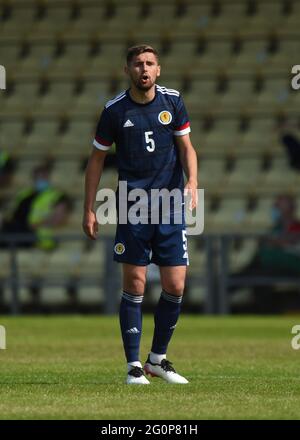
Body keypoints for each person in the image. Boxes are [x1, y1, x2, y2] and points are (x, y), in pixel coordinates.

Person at [83, 45, 198, 385]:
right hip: (133, 206)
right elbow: (96, 160)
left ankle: (157, 360)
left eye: (149, 63)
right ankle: (134, 365)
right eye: (137, 64)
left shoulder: (173, 102)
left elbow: (186, 147)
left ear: (158, 69)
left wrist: (193, 180)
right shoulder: (114, 111)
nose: (144, 69)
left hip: (170, 204)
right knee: (134, 283)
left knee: (175, 285)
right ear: (127, 70)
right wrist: (89, 208)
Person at [1, 163, 72, 249]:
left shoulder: (57, 196)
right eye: (37, 177)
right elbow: (12, 213)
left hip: (37, 236)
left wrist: (36, 225)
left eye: (43, 177)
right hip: (16, 231)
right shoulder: (24, 194)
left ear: (49, 178)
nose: (40, 180)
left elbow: (59, 218)